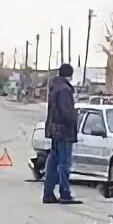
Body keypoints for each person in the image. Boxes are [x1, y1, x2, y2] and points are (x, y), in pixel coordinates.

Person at [43, 63, 82, 204]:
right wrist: (75, 115)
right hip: (64, 131)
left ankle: (48, 193)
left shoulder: (54, 87)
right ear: (69, 75)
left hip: (54, 131)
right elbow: (67, 113)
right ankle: (64, 193)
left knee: (53, 162)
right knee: (64, 163)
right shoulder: (65, 90)